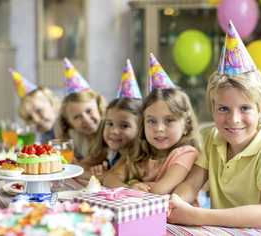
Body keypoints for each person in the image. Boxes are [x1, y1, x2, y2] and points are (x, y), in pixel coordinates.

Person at [167, 21, 261, 235]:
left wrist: (197, 215)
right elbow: (191, 185)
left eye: (244, 108)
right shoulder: (211, 138)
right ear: (212, 108)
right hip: (219, 229)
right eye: (223, 108)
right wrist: (176, 201)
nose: (234, 119)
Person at [103, 54, 201, 195]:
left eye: (169, 120)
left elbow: (160, 190)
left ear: (186, 125)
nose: (159, 129)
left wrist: (132, 184)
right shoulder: (139, 154)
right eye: (152, 121)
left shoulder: (186, 153)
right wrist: (129, 187)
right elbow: (109, 178)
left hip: (176, 217)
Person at [88, 59, 142, 180]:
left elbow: (110, 178)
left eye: (124, 126)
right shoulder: (114, 153)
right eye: (110, 124)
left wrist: (99, 175)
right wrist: (101, 170)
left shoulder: (134, 156)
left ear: (140, 128)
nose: (114, 131)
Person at [56, 58, 106, 175]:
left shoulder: (109, 131)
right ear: (69, 123)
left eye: (89, 111)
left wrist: (79, 164)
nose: (86, 120)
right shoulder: (75, 137)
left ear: (99, 108)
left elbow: (98, 157)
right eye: (77, 117)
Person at [9, 68, 60, 143]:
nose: (36, 120)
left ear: (52, 103)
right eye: (29, 117)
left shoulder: (73, 130)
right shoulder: (44, 135)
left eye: (39, 111)